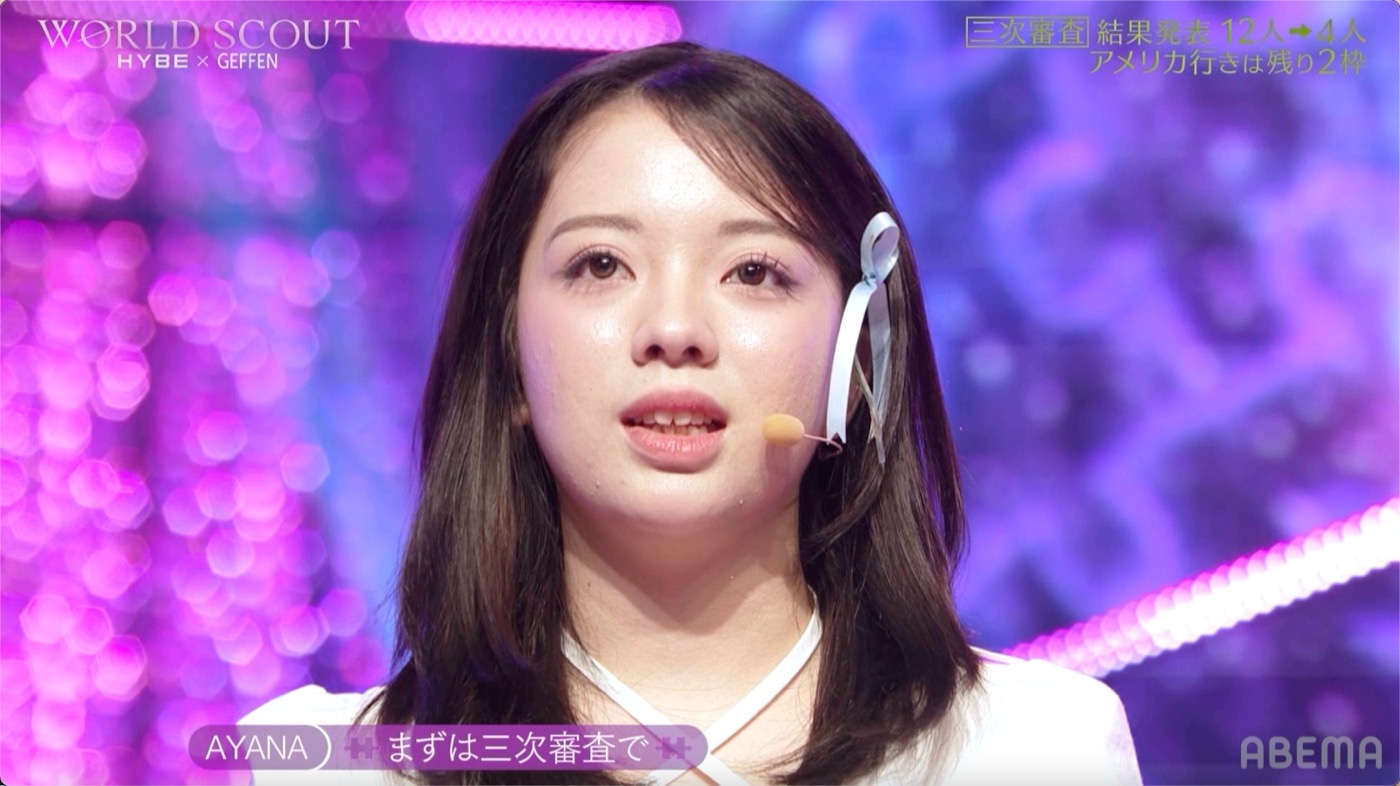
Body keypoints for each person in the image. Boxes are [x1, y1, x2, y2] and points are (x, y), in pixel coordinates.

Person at [238, 42, 1142, 785]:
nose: (674, 330)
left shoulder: (1037, 749)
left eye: (754, 272)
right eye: (601, 265)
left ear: (859, 361)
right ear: (507, 356)